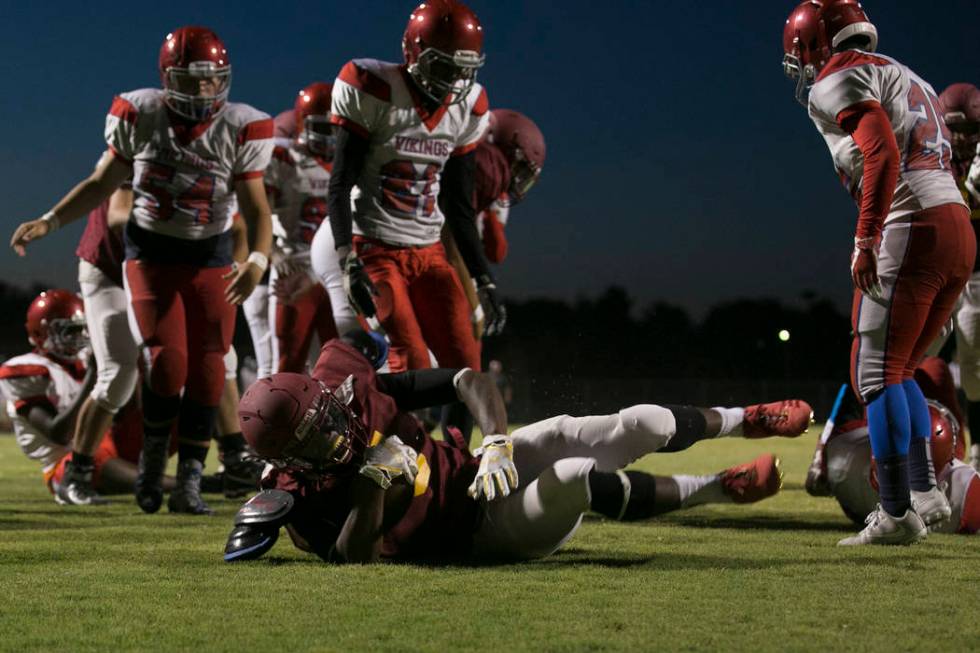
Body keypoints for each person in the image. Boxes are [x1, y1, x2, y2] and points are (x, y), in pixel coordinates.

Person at [223, 333, 813, 563]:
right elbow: (352, 558)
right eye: (318, 437)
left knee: (640, 422)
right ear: (289, 460)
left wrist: (499, 442)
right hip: (479, 532)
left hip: (479, 469)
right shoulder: (292, 497)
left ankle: (744, 418)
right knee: (576, 475)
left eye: (329, 415)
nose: (336, 430)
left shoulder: (349, 382)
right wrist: (372, 488)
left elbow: (465, 380)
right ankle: (717, 488)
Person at [9, 26, 274, 515]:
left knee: (215, 364)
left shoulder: (239, 129)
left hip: (200, 256)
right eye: (192, 81)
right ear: (167, 79)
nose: (203, 91)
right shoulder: (140, 119)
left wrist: (255, 258)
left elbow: (251, 214)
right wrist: (50, 220)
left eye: (212, 80)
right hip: (120, 261)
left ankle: (217, 464)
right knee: (130, 370)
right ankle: (88, 470)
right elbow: (107, 199)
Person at [782, 0, 974, 544]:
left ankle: (895, 512)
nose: (801, 68)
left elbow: (883, 152)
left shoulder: (839, 78)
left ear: (816, 43)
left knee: (874, 374)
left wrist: (866, 236)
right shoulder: (907, 74)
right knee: (902, 366)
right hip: (955, 225)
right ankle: (925, 490)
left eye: (800, 54)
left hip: (912, 224)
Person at [326, 0, 504, 379]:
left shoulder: (469, 106)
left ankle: (458, 441)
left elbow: (458, 204)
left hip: (429, 250)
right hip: (374, 246)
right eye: (444, 65)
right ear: (414, 52)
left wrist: (482, 276)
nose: (454, 78)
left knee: (466, 362)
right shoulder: (373, 88)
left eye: (463, 69)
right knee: (412, 360)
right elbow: (339, 183)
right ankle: (401, 439)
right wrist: (346, 259)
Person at [0, 290, 165, 500]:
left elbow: (124, 413)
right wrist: (95, 374)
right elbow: (59, 433)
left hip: (110, 444)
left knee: (171, 414)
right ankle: (181, 484)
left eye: (82, 330)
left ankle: (194, 473)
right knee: (90, 456)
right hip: (66, 462)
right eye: (70, 331)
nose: (79, 338)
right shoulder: (27, 371)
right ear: (40, 333)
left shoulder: (83, 361)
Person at [806, 358, 980, 534]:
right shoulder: (962, 493)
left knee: (877, 369)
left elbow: (855, 391)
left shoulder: (843, 459)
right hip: (873, 488)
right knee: (932, 367)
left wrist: (822, 452)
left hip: (859, 483)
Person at [266, 82, 340, 373]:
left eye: (337, 127)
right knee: (288, 364)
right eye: (324, 128)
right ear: (302, 124)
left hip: (338, 271)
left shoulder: (352, 164)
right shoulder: (285, 160)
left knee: (346, 363)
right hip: (294, 265)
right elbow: (257, 215)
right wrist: (274, 254)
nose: (332, 136)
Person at [936, 83, 980, 472]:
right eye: (956, 130)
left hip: (977, 278)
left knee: (973, 368)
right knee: (903, 354)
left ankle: (977, 444)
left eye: (970, 130)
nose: (962, 139)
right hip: (944, 272)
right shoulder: (938, 155)